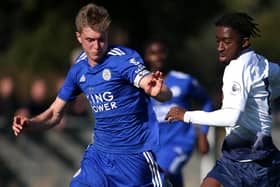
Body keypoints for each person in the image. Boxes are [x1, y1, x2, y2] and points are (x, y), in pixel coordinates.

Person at [12, 3, 173, 187]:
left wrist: (159, 92)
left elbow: (155, 87)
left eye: (101, 39)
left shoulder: (122, 59)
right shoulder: (79, 69)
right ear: (79, 37)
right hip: (98, 157)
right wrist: (31, 123)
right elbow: (55, 113)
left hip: (134, 157)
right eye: (90, 40)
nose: (97, 46)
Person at [165, 12, 280, 187]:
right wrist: (265, 96)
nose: (220, 47)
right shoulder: (261, 63)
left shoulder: (236, 68)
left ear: (244, 42)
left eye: (226, 41)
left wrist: (187, 115)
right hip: (234, 159)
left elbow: (231, 117)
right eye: (218, 41)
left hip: (257, 164)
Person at [143, 39, 213, 187]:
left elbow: (206, 101)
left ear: (166, 55)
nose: (158, 57)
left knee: (160, 176)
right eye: (153, 53)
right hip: (153, 146)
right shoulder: (143, 84)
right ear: (147, 57)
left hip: (179, 143)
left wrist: (203, 133)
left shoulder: (184, 80)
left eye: (161, 52)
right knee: (170, 181)